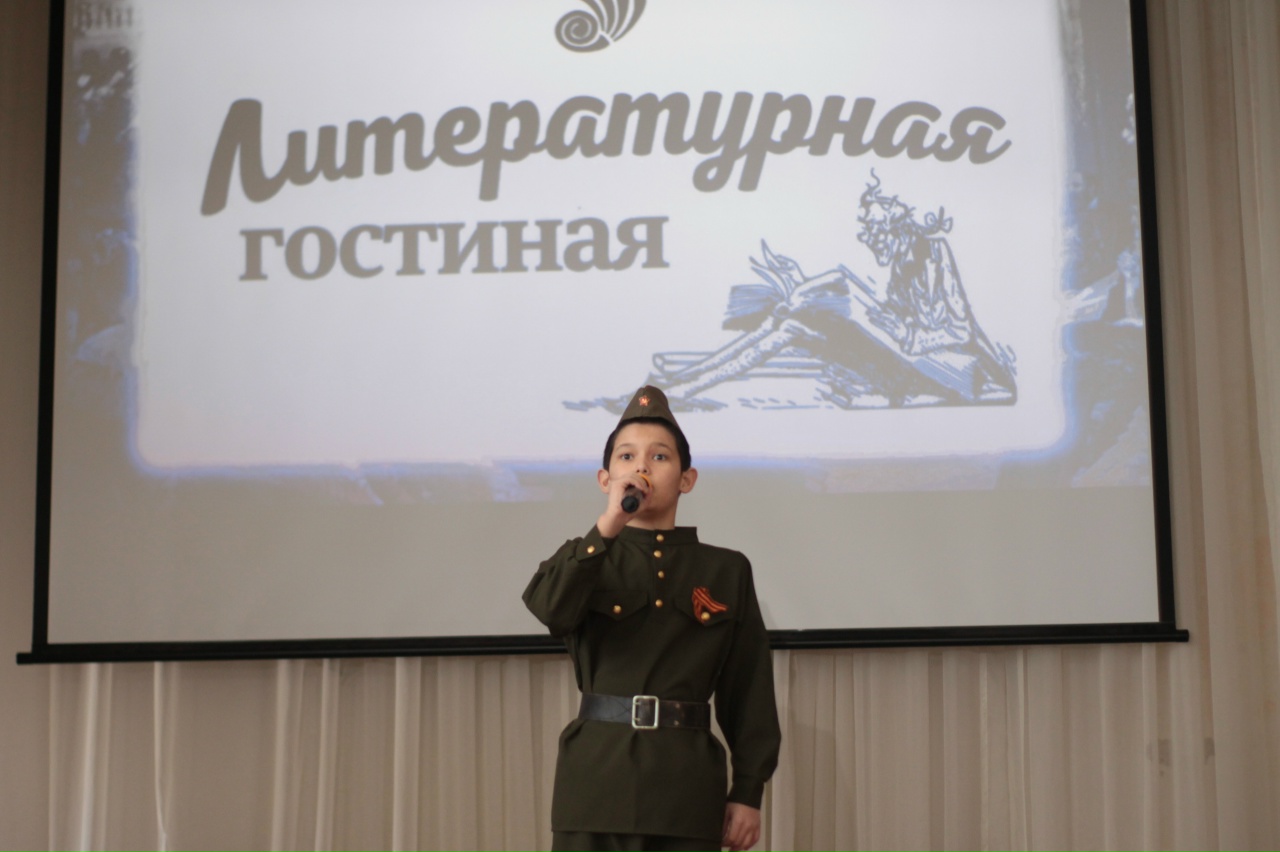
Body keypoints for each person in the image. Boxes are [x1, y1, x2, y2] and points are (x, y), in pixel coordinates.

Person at [524, 385, 781, 852]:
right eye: (627, 457)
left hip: (685, 790)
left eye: (659, 457)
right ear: (606, 479)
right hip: (596, 785)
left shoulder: (726, 570)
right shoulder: (584, 559)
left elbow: (749, 687)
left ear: (687, 479)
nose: (641, 468)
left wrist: (748, 790)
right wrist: (608, 527)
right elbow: (550, 610)